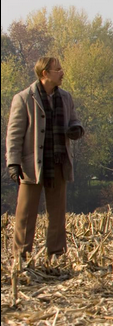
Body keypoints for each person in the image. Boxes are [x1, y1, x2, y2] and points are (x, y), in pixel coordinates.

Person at [6, 56, 84, 262]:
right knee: (25, 214)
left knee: (57, 215)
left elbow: (74, 120)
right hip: (31, 166)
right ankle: (20, 257)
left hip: (59, 163)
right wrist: (13, 162)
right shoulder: (23, 99)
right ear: (45, 74)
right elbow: (14, 134)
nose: (62, 72)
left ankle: (57, 255)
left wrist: (76, 129)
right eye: (58, 69)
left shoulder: (66, 97)